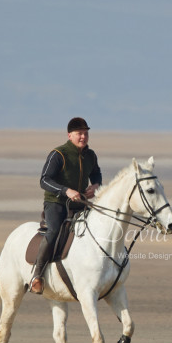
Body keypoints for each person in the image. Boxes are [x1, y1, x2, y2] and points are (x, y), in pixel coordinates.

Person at [29, 117, 102, 294]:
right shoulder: (58, 154)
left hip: (80, 203)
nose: (83, 137)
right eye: (79, 133)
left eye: (85, 133)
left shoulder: (90, 155)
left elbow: (97, 174)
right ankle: (37, 275)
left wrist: (96, 185)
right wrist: (66, 191)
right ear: (70, 135)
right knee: (54, 231)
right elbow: (44, 180)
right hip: (56, 203)